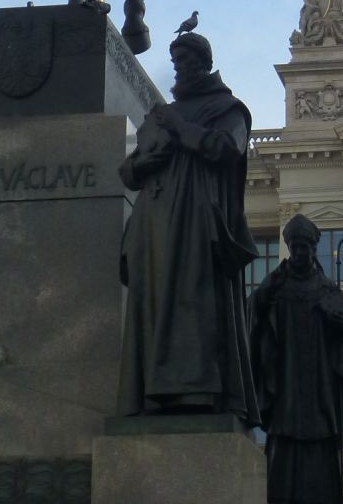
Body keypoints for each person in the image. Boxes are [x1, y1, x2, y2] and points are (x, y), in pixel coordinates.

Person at [117, 28, 260, 421]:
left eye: (185, 61)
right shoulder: (161, 112)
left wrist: (180, 131)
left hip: (196, 219)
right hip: (153, 220)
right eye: (175, 61)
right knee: (150, 304)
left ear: (204, 65)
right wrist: (138, 165)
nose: (178, 69)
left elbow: (227, 148)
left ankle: (194, 391)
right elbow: (130, 169)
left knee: (191, 304)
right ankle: (147, 394)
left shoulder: (228, 108)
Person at [249, 214, 343, 504]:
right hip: (286, 383)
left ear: (314, 250)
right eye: (295, 247)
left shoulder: (327, 289)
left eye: (305, 248)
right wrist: (262, 297)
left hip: (321, 385)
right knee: (284, 452)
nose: (300, 253)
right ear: (289, 248)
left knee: (324, 449)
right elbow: (251, 318)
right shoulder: (274, 287)